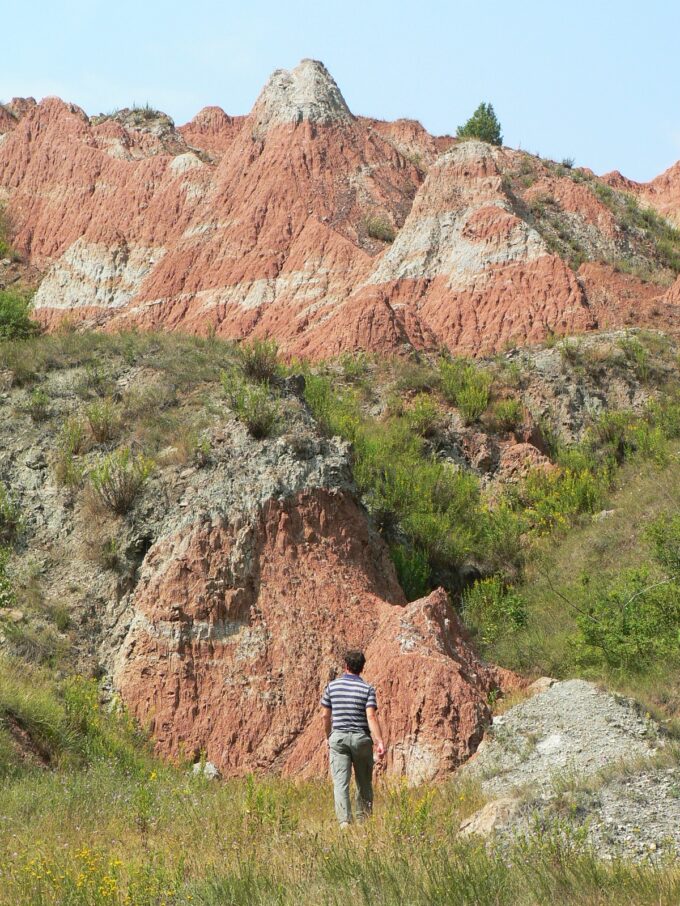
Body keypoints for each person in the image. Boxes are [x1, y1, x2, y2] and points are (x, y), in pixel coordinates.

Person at [320, 649, 385, 827]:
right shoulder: (367, 689)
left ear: (346, 665)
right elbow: (371, 717)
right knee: (364, 783)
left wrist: (328, 736)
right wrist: (379, 741)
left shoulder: (332, 687)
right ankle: (364, 822)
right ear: (362, 668)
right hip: (361, 739)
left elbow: (325, 716)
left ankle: (344, 824)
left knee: (341, 783)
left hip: (339, 739)